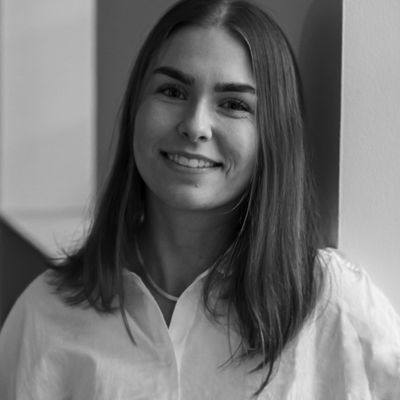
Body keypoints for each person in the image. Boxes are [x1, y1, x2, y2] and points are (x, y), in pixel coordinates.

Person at [1, 0, 399, 398]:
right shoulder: (46, 314)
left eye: (234, 104)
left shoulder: (332, 307)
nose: (195, 126)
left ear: (272, 135)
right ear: (136, 110)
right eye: (173, 91)